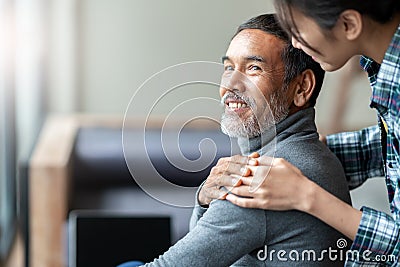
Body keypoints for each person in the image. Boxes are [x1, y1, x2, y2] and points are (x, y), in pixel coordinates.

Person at [132, 14, 351, 266]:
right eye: (228, 68)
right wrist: (205, 200)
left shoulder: (266, 181)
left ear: (301, 88)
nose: (231, 84)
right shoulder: (312, 155)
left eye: (253, 68)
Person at [201, 1, 400, 265]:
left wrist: (306, 194)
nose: (295, 43)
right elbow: (391, 142)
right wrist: (313, 156)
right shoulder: (383, 69)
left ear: (348, 24)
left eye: (298, 29)